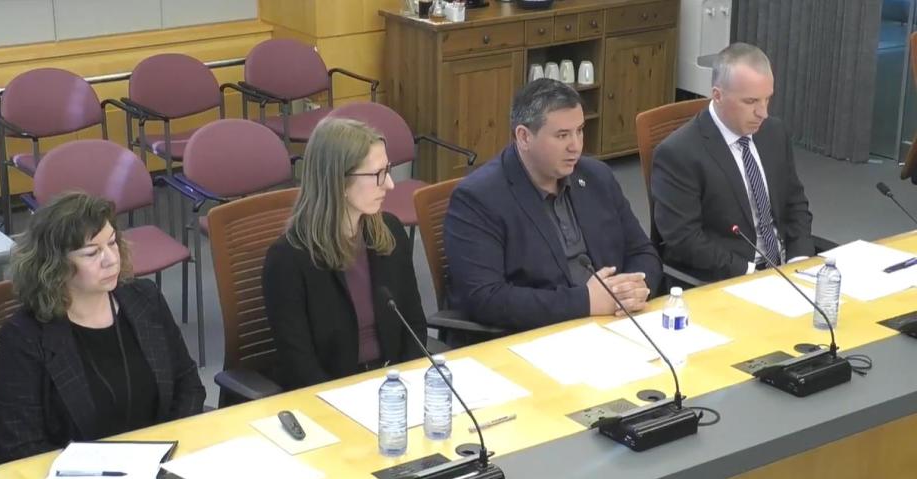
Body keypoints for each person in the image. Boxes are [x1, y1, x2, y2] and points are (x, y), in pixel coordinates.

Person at [0, 192, 205, 464]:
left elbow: (188, 383)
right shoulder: (25, 336)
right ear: (54, 265)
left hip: (159, 466)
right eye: (92, 253)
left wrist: (171, 450)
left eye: (112, 243)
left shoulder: (144, 299)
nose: (110, 259)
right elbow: (22, 445)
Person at [443, 79, 662, 332]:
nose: (576, 146)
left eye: (580, 130)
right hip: (535, 337)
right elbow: (486, 298)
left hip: (615, 322)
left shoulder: (597, 176)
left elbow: (643, 252)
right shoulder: (477, 199)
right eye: (562, 135)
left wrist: (634, 288)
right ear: (524, 137)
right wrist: (585, 302)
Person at [262, 117, 426, 390]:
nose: (390, 185)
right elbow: (300, 369)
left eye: (388, 170)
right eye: (377, 175)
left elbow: (415, 328)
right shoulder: (288, 260)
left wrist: (403, 389)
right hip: (330, 399)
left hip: (394, 389)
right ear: (338, 182)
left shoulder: (390, 232)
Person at [651, 42, 814, 282]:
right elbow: (685, 240)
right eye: (750, 102)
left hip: (788, 270)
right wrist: (751, 273)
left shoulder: (773, 132)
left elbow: (794, 202)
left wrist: (799, 261)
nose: (763, 113)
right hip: (730, 275)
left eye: (767, 99)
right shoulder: (678, 153)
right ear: (717, 95)